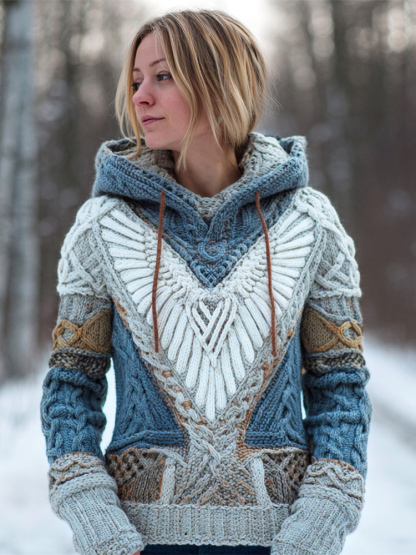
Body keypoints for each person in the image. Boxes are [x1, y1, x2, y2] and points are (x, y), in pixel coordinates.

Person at [40, 9, 372, 555]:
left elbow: (341, 386)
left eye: (163, 76)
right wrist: (94, 518)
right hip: (136, 542)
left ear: (219, 81)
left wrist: (322, 521)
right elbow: (70, 386)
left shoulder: (312, 224)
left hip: (281, 541)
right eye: (136, 80)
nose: (141, 96)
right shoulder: (101, 227)